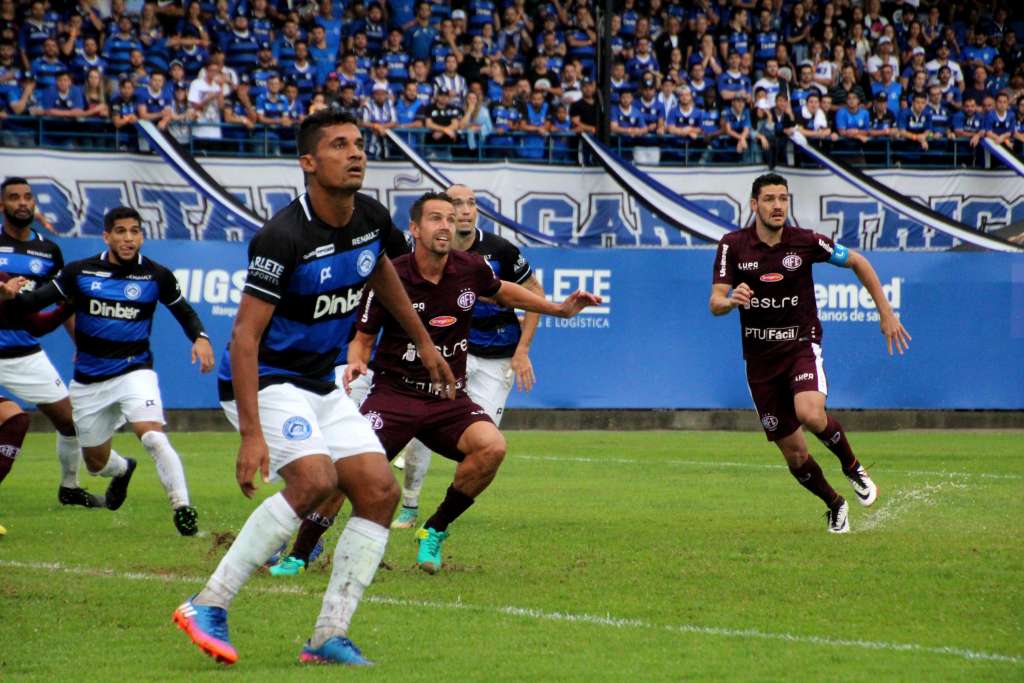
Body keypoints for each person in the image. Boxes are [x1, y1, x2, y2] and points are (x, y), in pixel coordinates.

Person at [172, 110, 455, 667]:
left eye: (359, 144)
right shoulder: (281, 237)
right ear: (308, 162)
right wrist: (251, 434)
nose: (355, 154)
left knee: (378, 491)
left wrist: (423, 341)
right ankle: (207, 602)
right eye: (339, 145)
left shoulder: (370, 216)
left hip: (317, 383)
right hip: (266, 379)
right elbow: (244, 339)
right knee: (314, 480)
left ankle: (328, 634)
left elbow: (383, 273)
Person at [351, 190, 599, 573]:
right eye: (438, 217)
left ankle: (433, 529)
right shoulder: (390, 275)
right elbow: (362, 340)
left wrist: (557, 309)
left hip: (448, 396)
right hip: (395, 393)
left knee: (491, 448)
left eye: (452, 217)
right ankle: (303, 547)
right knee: (350, 474)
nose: (448, 224)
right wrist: (355, 364)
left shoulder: (472, 265)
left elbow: (504, 292)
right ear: (414, 229)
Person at [708, 173, 911, 533]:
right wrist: (730, 301)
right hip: (759, 360)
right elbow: (715, 302)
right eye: (769, 199)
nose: (777, 206)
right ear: (754, 205)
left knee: (810, 412)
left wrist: (886, 313)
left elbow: (859, 262)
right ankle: (835, 504)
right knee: (795, 455)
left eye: (783, 199)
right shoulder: (732, 245)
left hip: (800, 344)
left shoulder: (806, 242)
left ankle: (854, 468)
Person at [2, 206, 213, 535]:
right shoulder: (79, 273)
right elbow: (34, 305)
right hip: (88, 382)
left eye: (134, 231)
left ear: (142, 236)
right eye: (121, 231)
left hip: (135, 371)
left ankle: (183, 508)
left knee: (154, 436)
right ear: (107, 236)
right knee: (96, 464)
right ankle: (122, 468)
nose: (128, 238)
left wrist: (200, 338)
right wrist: (7, 298)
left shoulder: (156, 275)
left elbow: (184, 311)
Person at [0, 177, 102, 508]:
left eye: (28, 197)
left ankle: (70, 487)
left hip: (25, 351)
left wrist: (81, 345)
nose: (22, 203)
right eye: (14, 197)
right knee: (13, 420)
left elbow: (61, 304)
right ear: (3, 206)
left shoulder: (48, 251)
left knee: (70, 421)